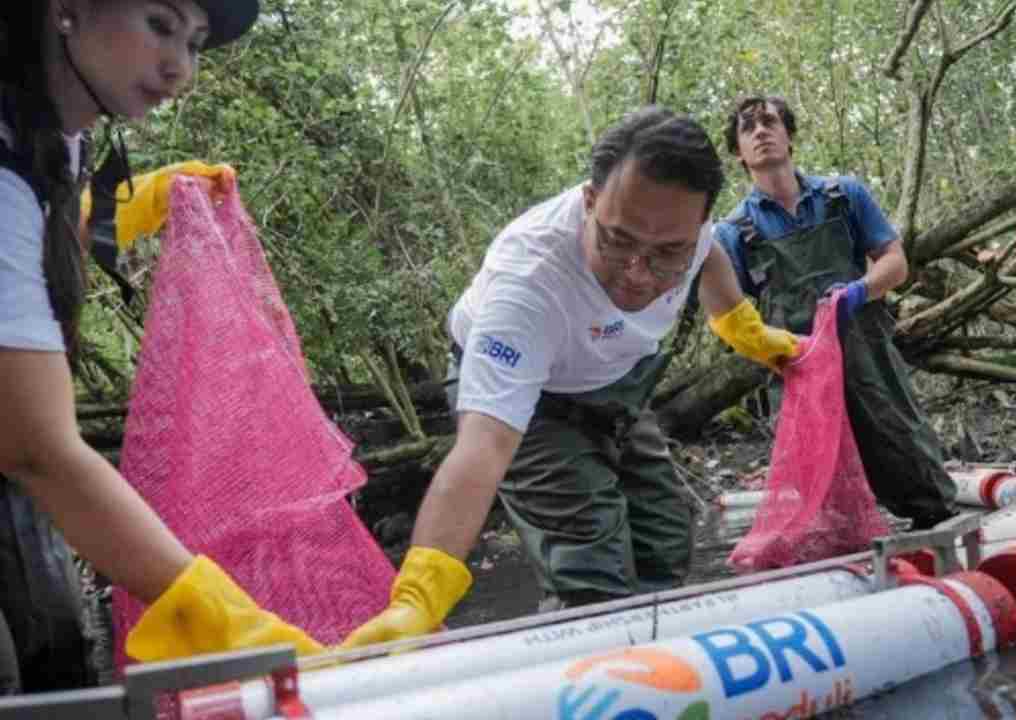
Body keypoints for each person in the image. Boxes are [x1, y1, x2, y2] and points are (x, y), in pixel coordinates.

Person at [340, 106, 798, 647]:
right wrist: (419, 596)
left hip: (616, 385)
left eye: (667, 252)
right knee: (592, 573)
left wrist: (747, 329)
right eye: (618, 240)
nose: (638, 272)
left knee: (666, 535)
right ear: (589, 202)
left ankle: (654, 671)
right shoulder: (527, 284)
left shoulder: (693, 233)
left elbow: (710, 256)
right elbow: (482, 448)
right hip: (530, 408)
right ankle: (589, 669)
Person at [0, 0, 323, 693]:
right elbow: (37, 448)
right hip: (18, 452)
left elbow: (44, 244)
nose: (180, 65)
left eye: (196, 41)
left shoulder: (60, 133)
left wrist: (142, 201)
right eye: (159, 24)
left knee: (52, 656)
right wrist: (227, 619)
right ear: (66, 11)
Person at [713, 94, 956, 531]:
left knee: (898, 436)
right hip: (795, 363)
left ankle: (937, 527)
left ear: (789, 135)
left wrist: (862, 290)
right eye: (748, 128)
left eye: (770, 122)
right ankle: (842, 549)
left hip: (865, 349)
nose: (761, 132)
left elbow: (895, 262)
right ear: (738, 151)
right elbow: (729, 312)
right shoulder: (732, 233)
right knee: (817, 469)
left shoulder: (844, 196)